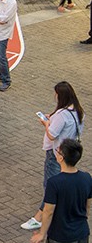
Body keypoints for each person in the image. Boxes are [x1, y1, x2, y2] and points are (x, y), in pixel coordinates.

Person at [21, 82, 84, 231]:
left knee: (50, 185)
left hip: (56, 153)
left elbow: (52, 134)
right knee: (63, 181)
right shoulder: (78, 111)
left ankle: (40, 217)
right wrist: (52, 118)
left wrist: (46, 123)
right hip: (69, 152)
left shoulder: (62, 115)